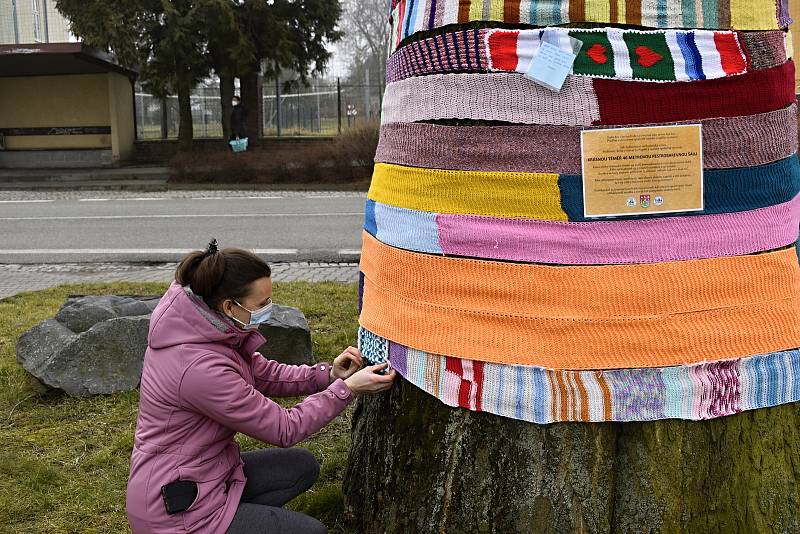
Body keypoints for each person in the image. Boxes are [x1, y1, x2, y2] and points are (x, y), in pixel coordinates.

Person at [126, 240, 395, 533]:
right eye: (262, 304)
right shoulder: (198, 368)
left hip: (208, 474)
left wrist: (328, 375)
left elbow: (262, 373)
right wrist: (347, 390)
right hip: (178, 512)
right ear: (230, 306)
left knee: (301, 467)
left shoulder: (208, 327)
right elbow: (284, 428)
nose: (269, 309)